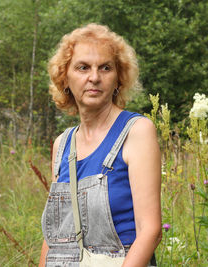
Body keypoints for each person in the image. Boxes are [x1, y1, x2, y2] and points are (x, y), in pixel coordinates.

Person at [39, 23, 162, 266]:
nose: (94, 77)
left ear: (118, 79)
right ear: (65, 78)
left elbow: (151, 231)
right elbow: (55, 235)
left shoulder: (136, 131)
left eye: (105, 68)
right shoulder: (62, 145)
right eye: (82, 67)